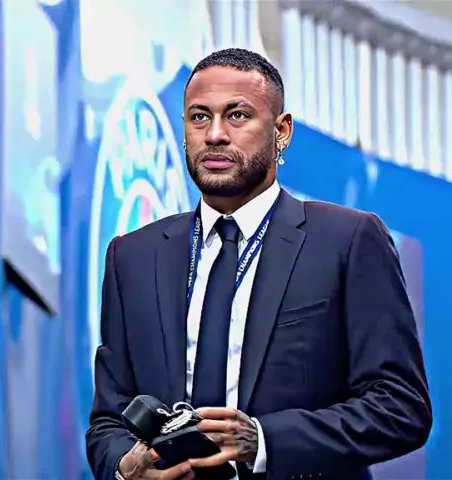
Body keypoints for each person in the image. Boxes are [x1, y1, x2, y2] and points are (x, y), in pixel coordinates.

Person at [86, 48, 432, 480]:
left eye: (237, 116)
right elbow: (108, 420)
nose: (215, 134)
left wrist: (264, 441)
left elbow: (400, 406)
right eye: (199, 117)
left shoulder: (347, 239)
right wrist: (124, 467)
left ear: (281, 131)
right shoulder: (133, 256)